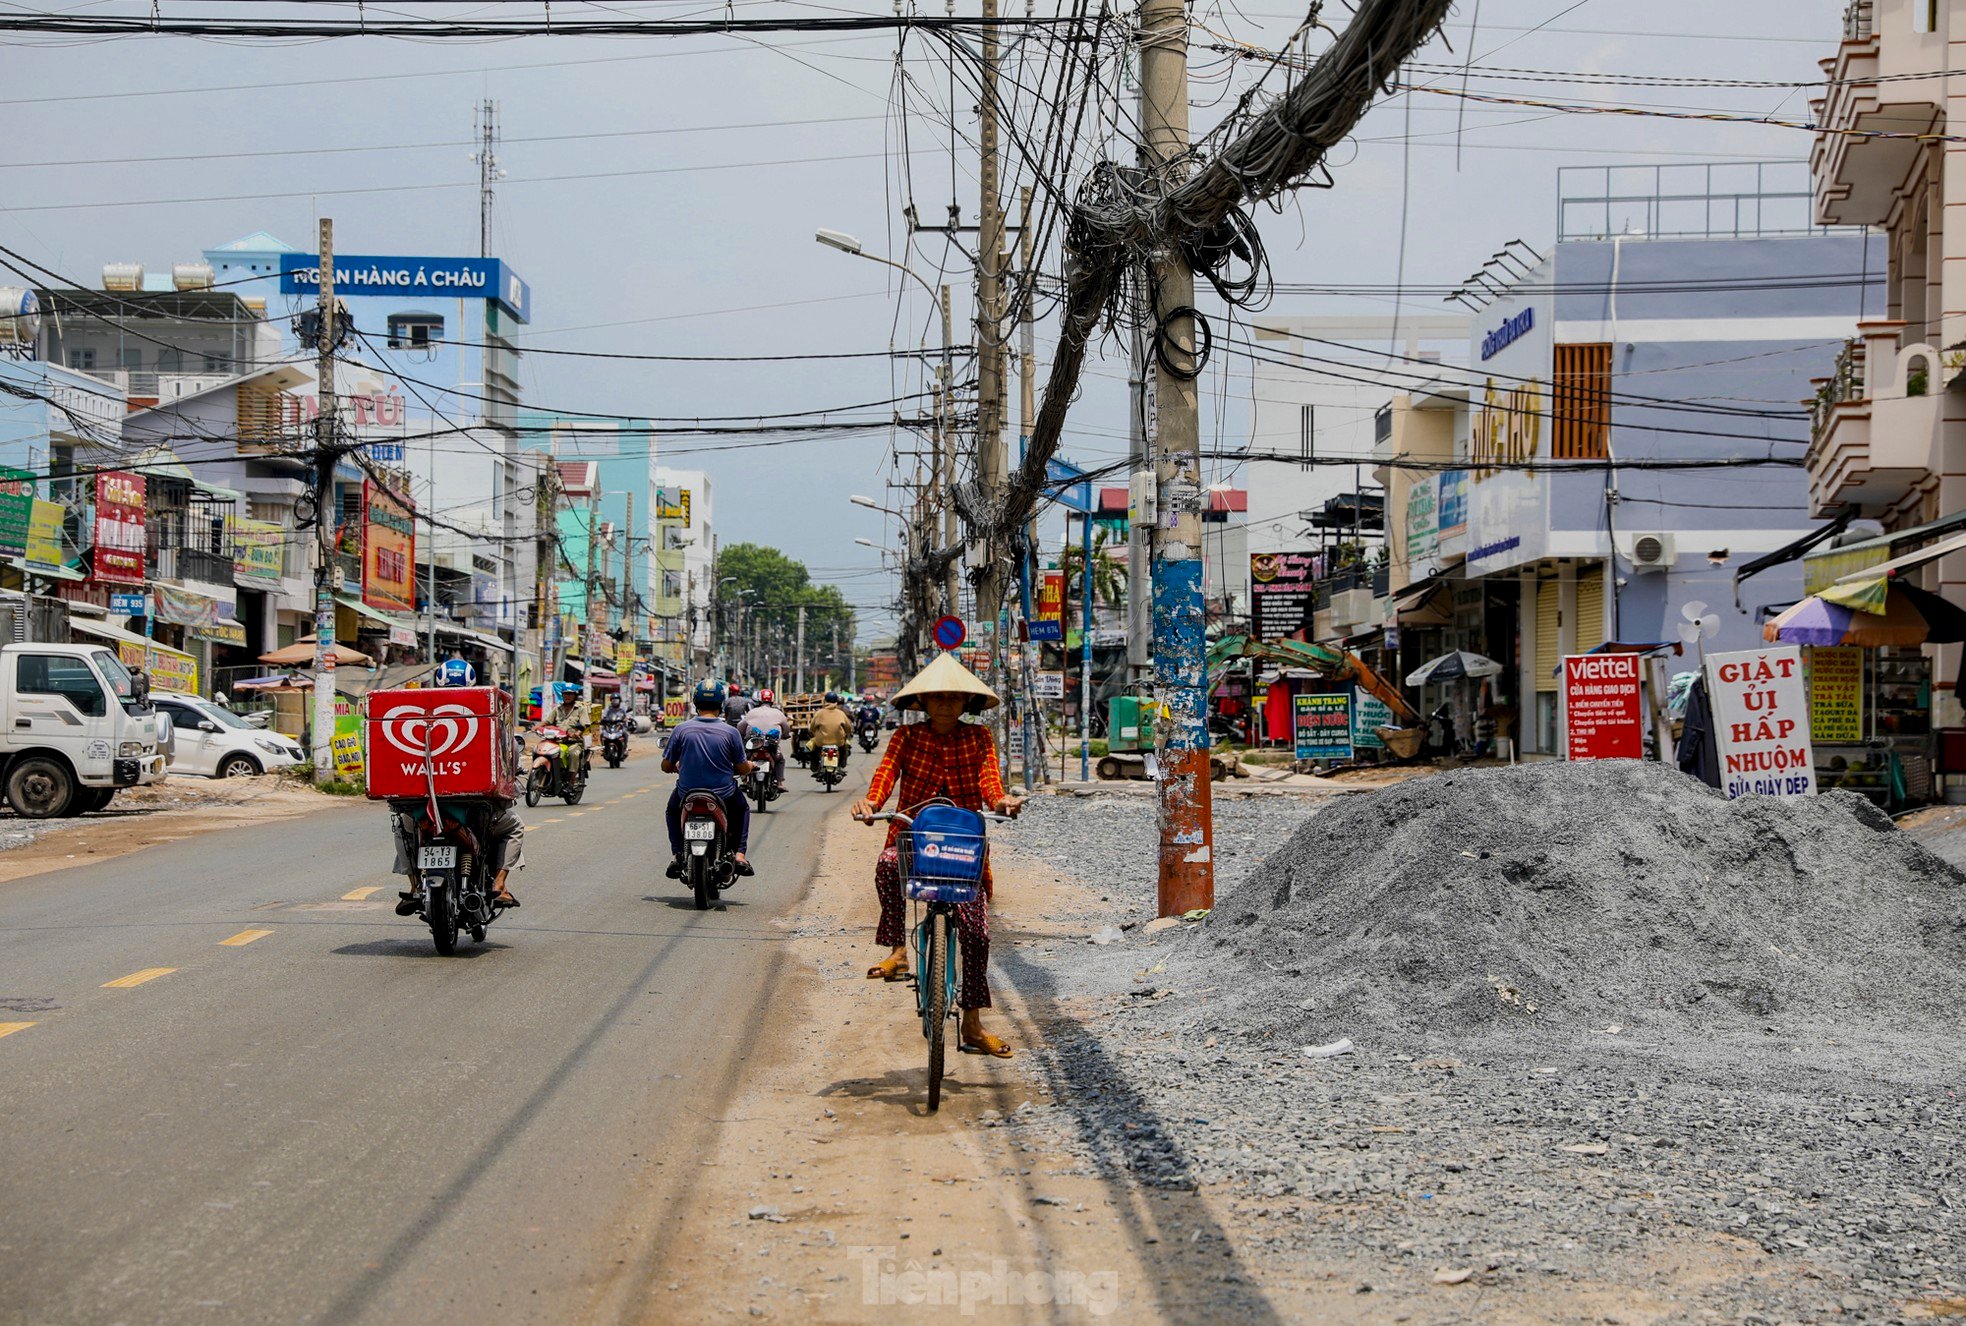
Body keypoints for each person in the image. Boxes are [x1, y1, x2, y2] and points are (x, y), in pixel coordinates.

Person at [850, 654, 1024, 1059]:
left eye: (954, 697)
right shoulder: (906, 738)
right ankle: (897, 951)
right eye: (937, 697)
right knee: (887, 864)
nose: (946, 704)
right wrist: (870, 804)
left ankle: (974, 1024)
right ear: (924, 703)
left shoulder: (979, 739)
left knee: (977, 933)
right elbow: (884, 778)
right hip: (911, 837)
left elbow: (990, 784)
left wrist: (1002, 802)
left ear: (966, 703)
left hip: (963, 849)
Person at [664, 679, 758, 879]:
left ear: (695, 702)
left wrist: (676, 766)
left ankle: (678, 854)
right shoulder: (731, 733)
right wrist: (750, 766)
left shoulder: (681, 729)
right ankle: (740, 855)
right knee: (742, 809)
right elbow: (741, 768)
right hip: (723, 794)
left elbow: (665, 766)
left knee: (672, 810)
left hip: (687, 793)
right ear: (721, 703)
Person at [392, 802, 524, 914]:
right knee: (515, 825)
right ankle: (499, 885)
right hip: (473, 811)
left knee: (401, 828)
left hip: (423, 811)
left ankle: (415, 885)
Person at [742, 687, 791, 792]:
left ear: (759, 700)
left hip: (754, 744)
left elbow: (740, 726)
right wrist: (786, 735)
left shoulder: (752, 712)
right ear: (772, 701)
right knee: (780, 760)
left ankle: (744, 780)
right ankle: (779, 783)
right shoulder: (778, 713)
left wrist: (742, 734)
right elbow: (786, 728)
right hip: (771, 745)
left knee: (744, 758)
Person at [807, 690, 855, 769]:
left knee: (810, 748)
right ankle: (842, 763)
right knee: (845, 748)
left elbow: (812, 728)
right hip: (839, 742)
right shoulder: (841, 714)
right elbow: (848, 728)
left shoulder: (819, 713)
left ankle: (814, 764)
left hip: (821, 742)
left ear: (825, 701)